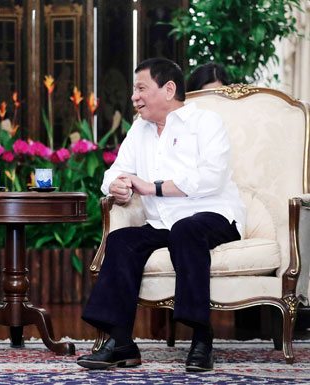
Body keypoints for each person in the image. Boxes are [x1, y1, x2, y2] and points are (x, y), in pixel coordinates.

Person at [77, 58, 245, 372]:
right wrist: (117, 186)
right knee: (122, 240)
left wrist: (152, 187)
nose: (134, 97)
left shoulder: (205, 123)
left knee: (186, 230)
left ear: (168, 89)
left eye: (141, 88)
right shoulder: (139, 129)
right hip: (162, 222)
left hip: (213, 215)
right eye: (134, 90)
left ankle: (201, 337)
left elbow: (212, 178)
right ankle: (121, 342)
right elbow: (113, 172)